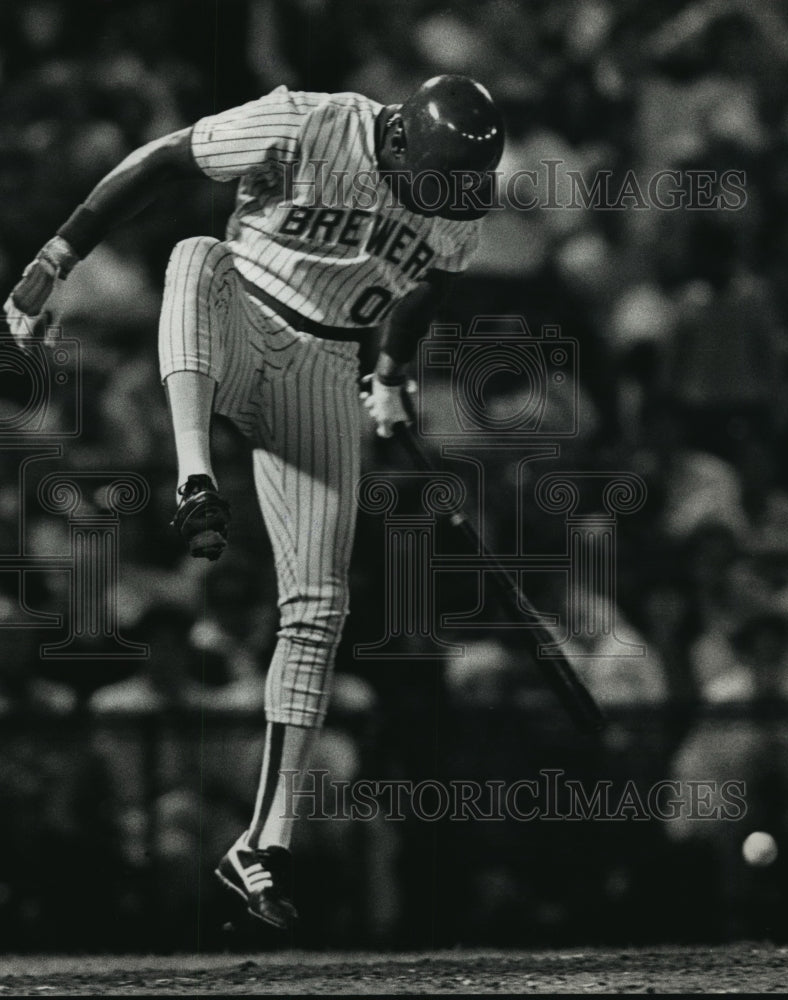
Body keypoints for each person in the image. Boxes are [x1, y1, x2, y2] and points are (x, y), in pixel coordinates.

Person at [3, 74, 504, 933]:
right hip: (239, 321)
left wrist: (392, 373)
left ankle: (263, 845)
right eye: (437, 178)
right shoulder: (307, 122)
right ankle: (193, 475)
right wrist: (56, 257)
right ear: (397, 141)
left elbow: (429, 282)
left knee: (320, 608)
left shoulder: (458, 191)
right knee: (196, 255)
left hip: (325, 365)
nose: (448, 196)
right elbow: (166, 159)